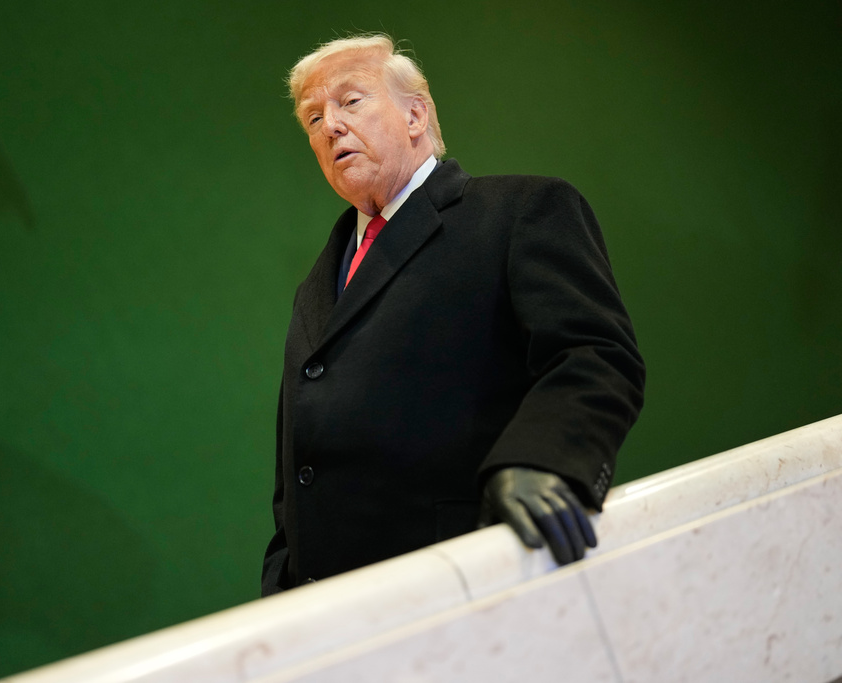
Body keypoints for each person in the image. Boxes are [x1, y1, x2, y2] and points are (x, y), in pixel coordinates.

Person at [261, 34, 645, 596]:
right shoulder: (316, 285)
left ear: (416, 115)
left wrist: (548, 459)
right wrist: (282, 587)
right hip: (327, 612)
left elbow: (595, 356)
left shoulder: (519, 212)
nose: (331, 126)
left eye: (351, 101)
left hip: (469, 580)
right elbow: (297, 472)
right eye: (313, 118)